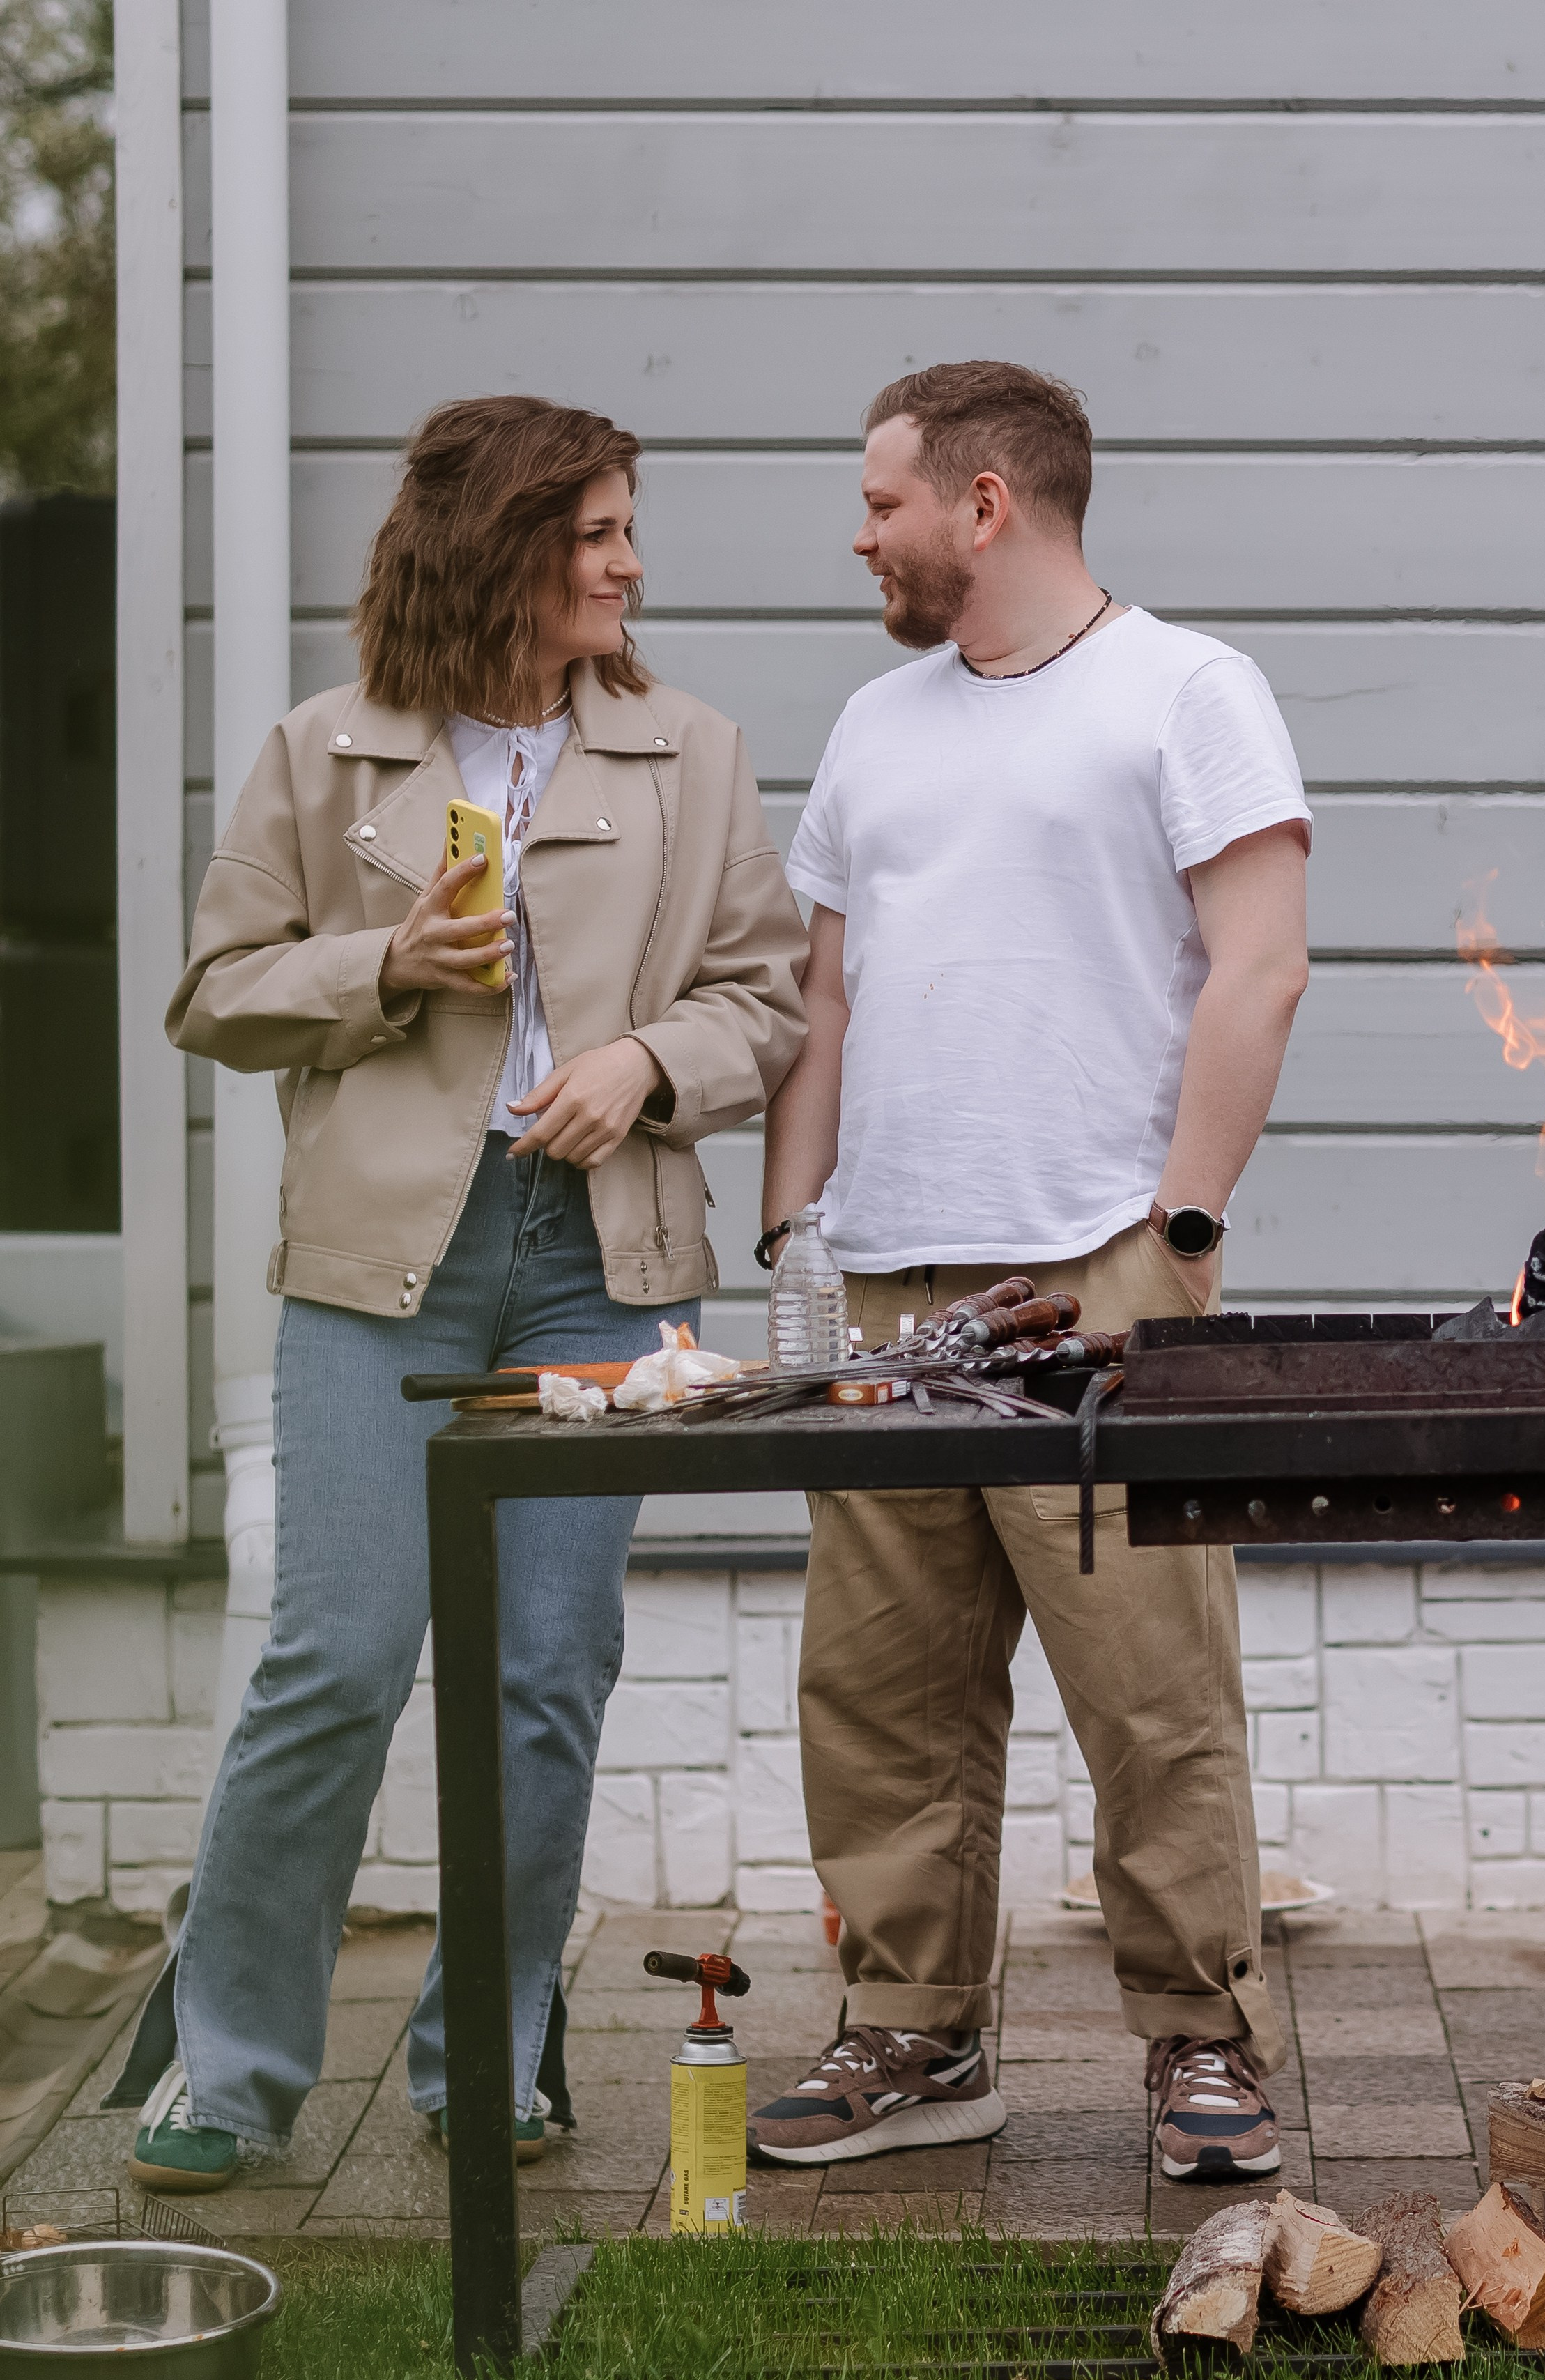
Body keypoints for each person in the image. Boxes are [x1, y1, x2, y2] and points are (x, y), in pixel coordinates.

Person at [112, 395, 808, 2189]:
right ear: (498, 547)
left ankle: (488, 2055)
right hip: (376, 1270)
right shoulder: (326, 751)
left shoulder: (694, 754)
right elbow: (211, 989)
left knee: (543, 1675)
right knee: (333, 1663)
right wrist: (379, 963)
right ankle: (228, 2062)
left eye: (625, 530)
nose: (629, 563)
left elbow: (768, 1003)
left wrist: (645, 1065)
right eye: (595, 533)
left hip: (599, 1265)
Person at [748, 361, 1309, 2183]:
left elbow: (1260, 967)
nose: (862, 533)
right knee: (882, 1685)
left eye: (883, 500)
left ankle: (1201, 2040)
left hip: (1102, 1271)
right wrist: (790, 1237)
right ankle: (918, 2036)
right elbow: (823, 1004)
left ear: (987, 503)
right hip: (894, 1285)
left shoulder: (1187, 693)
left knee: (1153, 1690)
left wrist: (1185, 1237)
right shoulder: (874, 724)